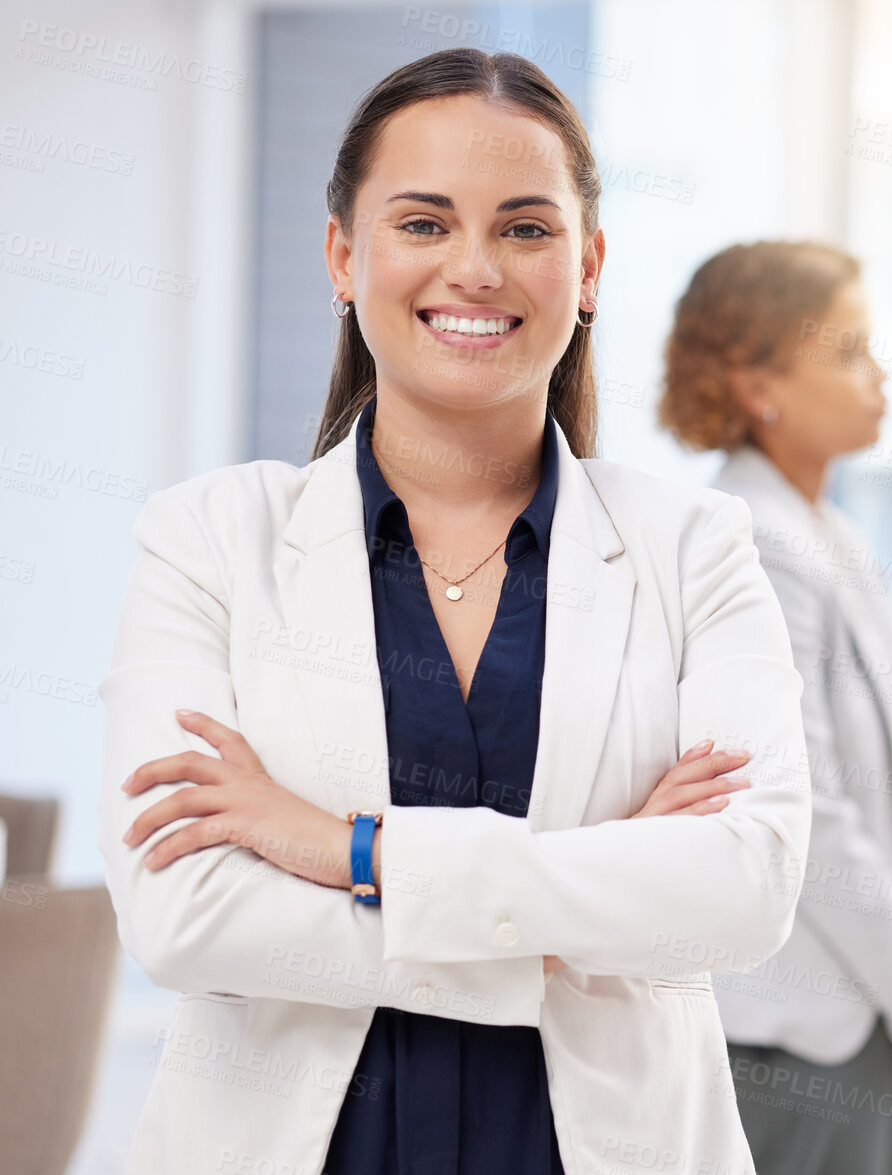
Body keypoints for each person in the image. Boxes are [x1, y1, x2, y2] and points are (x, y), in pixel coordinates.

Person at [96, 49, 811, 1175]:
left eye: (526, 228)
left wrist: (347, 848)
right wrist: (582, 906)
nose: (475, 267)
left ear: (589, 266)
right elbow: (183, 915)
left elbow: (746, 889)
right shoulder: (209, 540)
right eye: (424, 224)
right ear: (345, 254)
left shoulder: (694, 547)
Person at [658, 241, 892, 1175]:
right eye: (847, 351)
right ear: (756, 383)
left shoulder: (833, 535)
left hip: (864, 1021)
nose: (878, 376)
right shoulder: (750, 541)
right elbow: (810, 819)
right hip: (793, 1038)